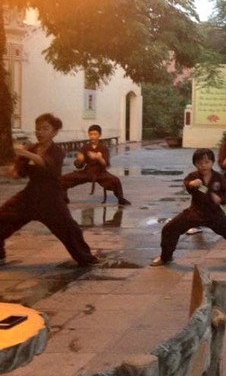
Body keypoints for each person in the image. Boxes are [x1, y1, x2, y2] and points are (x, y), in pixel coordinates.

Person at [0, 113, 99, 267]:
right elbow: (19, 172)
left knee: (69, 229)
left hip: (50, 197)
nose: (40, 132)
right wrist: (12, 170)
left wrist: (27, 154)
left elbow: (47, 164)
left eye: (45, 129)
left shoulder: (57, 151)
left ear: (54, 132)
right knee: (3, 216)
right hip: (30, 194)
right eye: (38, 129)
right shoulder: (32, 148)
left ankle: (86, 258)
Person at [150, 148, 226, 267]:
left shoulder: (219, 178)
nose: (203, 165)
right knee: (169, 228)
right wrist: (192, 184)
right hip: (195, 212)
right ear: (195, 164)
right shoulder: (192, 176)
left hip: (214, 214)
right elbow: (187, 185)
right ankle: (165, 257)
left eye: (207, 162)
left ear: (212, 162)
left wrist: (220, 198)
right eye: (200, 163)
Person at [61, 124, 131, 206]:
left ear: (99, 135)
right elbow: (79, 166)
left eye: (95, 134)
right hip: (87, 172)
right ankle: (63, 198)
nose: (93, 136)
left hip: (100, 173)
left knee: (115, 180)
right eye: (91, 134)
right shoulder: (85, 148)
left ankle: (120, 199)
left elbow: (106, 165)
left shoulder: (103, 148)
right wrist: (79, 160)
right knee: (64, 179)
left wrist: (99, 158)